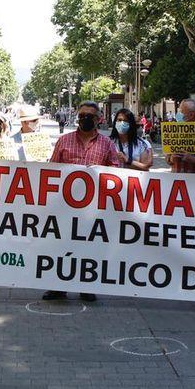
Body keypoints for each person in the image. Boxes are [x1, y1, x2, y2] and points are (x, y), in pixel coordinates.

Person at [44, 101, 117, 302]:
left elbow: (115, 173)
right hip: (65, 205)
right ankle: (58, 286)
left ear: (98, 119)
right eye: (82, 114)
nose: (85, 118)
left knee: (89, 246)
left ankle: (86, 285)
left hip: (93, 208)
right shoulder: (64, 140)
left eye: (90, 116)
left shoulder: (107, 144)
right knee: (61, 244)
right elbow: (52, 169)